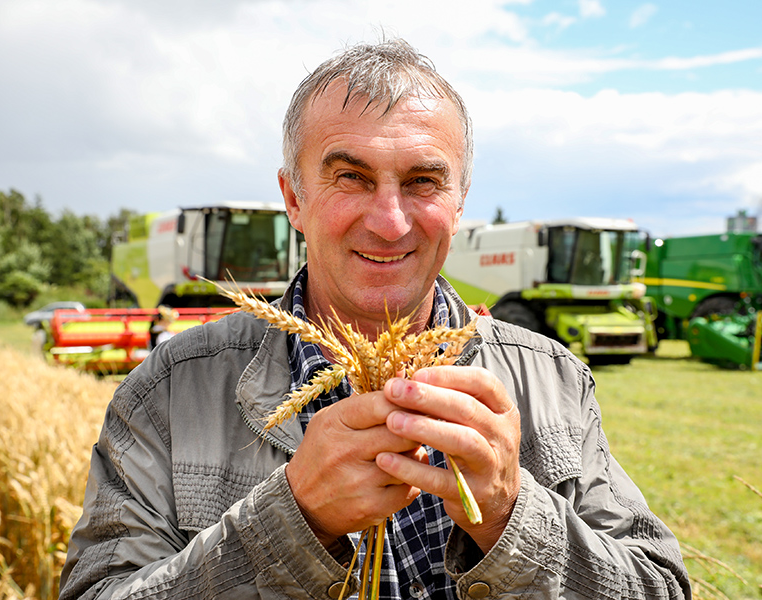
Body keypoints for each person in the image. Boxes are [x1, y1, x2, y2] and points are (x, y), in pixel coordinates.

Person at [60, 39, 690, 600]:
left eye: (422, 181)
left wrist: (513, 516)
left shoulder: (554, 382)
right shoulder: (170, 391)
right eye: (351, 178)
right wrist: (291, 520)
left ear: (460, 201)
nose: (390, 222)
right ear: (293, 200)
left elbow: (660, 587)